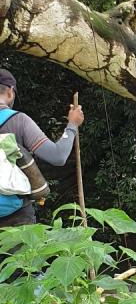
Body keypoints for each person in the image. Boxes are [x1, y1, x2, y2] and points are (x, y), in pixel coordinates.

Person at [0, 68, 84, 227]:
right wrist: (72, 125)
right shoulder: (18, 121)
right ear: (10, 92)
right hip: (16, 219)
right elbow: (58, 156)